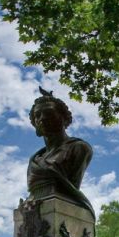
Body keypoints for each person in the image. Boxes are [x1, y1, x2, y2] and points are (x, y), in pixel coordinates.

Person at [27, 88, 95, 218]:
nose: (42, 118)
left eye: (49, 113)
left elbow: (72, 189)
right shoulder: (34, 159)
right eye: (37, 115)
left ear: (63, 118)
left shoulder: (79, 148)